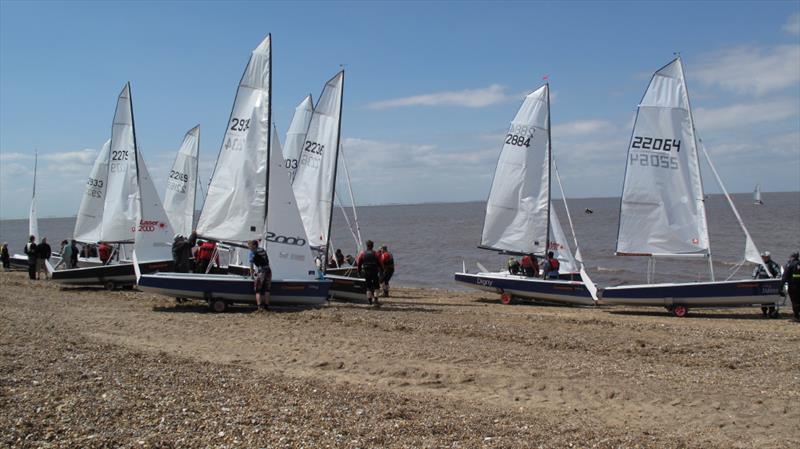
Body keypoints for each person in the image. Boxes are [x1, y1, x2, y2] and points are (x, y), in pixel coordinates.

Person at [753, 251, 782, 317]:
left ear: (768, 257)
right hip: (761, 284)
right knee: (763, 299)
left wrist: (777, 277)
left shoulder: (773, 264)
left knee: (770, 299)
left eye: (765, 257)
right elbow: (755, 272)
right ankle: (764, 312)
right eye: (762, 257)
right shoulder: (759, 264)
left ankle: (771, 312)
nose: (763, 258)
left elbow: (778, 272)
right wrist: (753, 278)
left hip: (770, 285)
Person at [356, 240, 383, 306]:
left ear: (367, 246)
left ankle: (370, 301)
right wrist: (381, 271)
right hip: (374, 272)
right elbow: (380, 263)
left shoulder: (363, 254)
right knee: (376, 286)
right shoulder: (376, 253)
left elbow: (359, 264)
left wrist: (359, 272)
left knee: (368, 286)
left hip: (366, 272)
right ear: (372, 246)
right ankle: (376, 300)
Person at [248, 239, 271, 311]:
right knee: (267, 289)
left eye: (250, 245)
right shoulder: (262, 250)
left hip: (262, 271)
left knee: (258, 290)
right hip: (268, 270)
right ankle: (267, 306)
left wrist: (251, 275)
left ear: (254, 245)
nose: (249, 247)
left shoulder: (252, 253)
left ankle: (259, 307)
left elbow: (251, 265)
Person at [782, 251, 800, 323]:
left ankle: (796, 317)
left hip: (793, 286)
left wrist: (780, 287)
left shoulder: (790, 264)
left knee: (794, 301)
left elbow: (785, 276)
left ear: (792, 257)